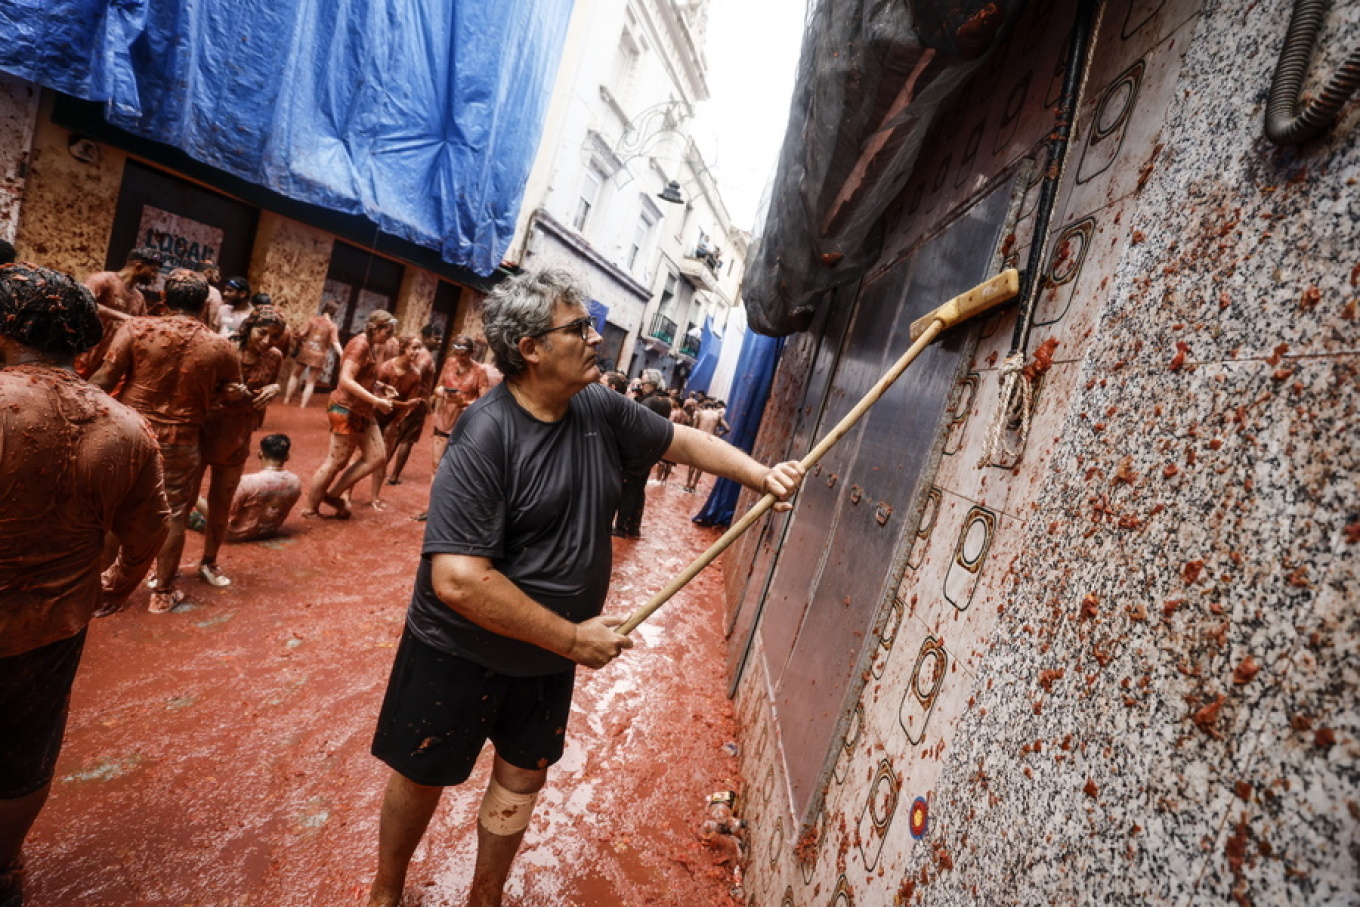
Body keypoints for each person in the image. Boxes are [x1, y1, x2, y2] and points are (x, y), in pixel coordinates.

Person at [363, 268, 804, 907]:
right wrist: (572, 636)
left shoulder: (595, 405)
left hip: (545, 657)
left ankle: (485, 896)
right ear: (531, 348)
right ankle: (385, 890)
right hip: (458, 650)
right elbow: (458, 580)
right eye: (579, 328)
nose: (597, 338)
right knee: (422, 769)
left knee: (520, 779)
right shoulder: (486, 434)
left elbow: (679, 439)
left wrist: (759, 474)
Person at [0, 265, 168, 905]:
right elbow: (150, 530)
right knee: (25, 754)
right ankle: (4, 867)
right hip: (53, 623)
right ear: (86, 345)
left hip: (51, 617)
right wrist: (117, 585)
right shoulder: (124, 428)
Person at [90, 269, 246, 612]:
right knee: (174, 513)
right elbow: (233, 395)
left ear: (163, 299)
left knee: (115, 507)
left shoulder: (138, 328)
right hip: (181, 439)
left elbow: (104, 378)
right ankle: (162, 591)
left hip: (130, 430)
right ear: (205, 304)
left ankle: (99, 589)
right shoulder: (220, 346)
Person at [196, 305, 288, 586]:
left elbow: (266, 390)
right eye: (262, 333)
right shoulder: (224, 348)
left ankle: (209, 562)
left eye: (274, 336)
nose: (267, 341)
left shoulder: (274, 357)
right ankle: (165, 567)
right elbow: (193, 387)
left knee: (222, 502)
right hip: (202, 431)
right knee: (181, 502)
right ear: (249, 327)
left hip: (236, 436)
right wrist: (221, 391)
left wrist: (275, 389)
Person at [300, 309, 398, 519]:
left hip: (362, 410)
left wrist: (380, 387)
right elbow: (346, 379)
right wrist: (377, 401)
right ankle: (310, 508)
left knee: (377, 457)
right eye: (387, 332)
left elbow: (362, 375)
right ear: (375, 329)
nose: (390, 337)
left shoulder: (371, 346)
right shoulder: (360, 345)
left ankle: (333, 494)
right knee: (335, 462)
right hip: (345, 408)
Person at [413, 334, 491, 522]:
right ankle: (433, 509)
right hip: (444, 421)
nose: (460, 357)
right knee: (436, 467)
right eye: (457, 353)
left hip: (465, 426)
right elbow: (438, 386)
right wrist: (439, 391)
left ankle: (453, 511)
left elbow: (485, 402)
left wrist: (464, 401)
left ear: (471, 353)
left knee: (459, 469)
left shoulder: (480, 371)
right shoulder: (449, 364)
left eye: (464, 354)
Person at [191, 434, 302, 543]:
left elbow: (218, 515)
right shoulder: (295, 482)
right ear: (287, 457)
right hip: (267, 532)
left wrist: (194, 496)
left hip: (233, 534)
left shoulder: (248, 482)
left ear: (260, 454)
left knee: (184, 512)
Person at [75, 246, 164, 377]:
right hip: (83, 355)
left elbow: (141, 327)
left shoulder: (139, 298)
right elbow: (83, 303)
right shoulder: (102, 279)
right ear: (138, 267)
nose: (154, 276)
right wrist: (124, 317)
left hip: (108, 364)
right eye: (153, 271)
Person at [365, 335, 426, 510]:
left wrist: (396, 421)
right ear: (403, 348)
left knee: (383, 457)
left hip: (393, 417)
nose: (416, 352)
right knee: (361, 454)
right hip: (373, 414)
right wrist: (404, 404)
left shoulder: (415, 374)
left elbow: (412, 402)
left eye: (418, 348)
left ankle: (375, 496)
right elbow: (376, 396)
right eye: (413, 348)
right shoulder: (386, 368)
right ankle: (346, 493)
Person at [612, 369, 671, 538]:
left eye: (643, 383)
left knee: (629, 488)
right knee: (639, 488)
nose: (641, 386)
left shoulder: (649, 402)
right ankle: (634, 527)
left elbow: (636, 423)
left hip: (638, 449)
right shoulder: (665, 401)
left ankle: (622, 526)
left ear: (651, 384)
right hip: (652, 450)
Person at [384, 324, 440, 486]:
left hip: (410, 400)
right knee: (406, 439)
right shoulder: (425, 356)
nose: (438, 342)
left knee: (397, 435)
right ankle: (393, 476)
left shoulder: (418, 354)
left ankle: (383, 468)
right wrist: (414, 402)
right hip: (416, 402)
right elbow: (417, 375)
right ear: (426, 337)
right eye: (435, 339)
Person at [284, 297, 343, 408]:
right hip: (320, 356)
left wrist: (295, 336)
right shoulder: (333, 326)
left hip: (306, 351)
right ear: (334, 313)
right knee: (311, 382)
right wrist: (343, 355)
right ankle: (302, 405)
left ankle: (286, 400)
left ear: (323, 309)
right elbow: (335, 343)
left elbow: (301, 334)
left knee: (295, 375)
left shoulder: (312, 320)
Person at [684, 401, 730, 493]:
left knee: (693, 462)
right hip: (709, 440)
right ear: (713, 408)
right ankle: (694, 485)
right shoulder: (717, 415)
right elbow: (728, 428)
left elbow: (694, 428)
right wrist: (719, 434)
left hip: (699, 438)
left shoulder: (701, 413)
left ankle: (687, 483)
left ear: (705, 407)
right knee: (702, 463)